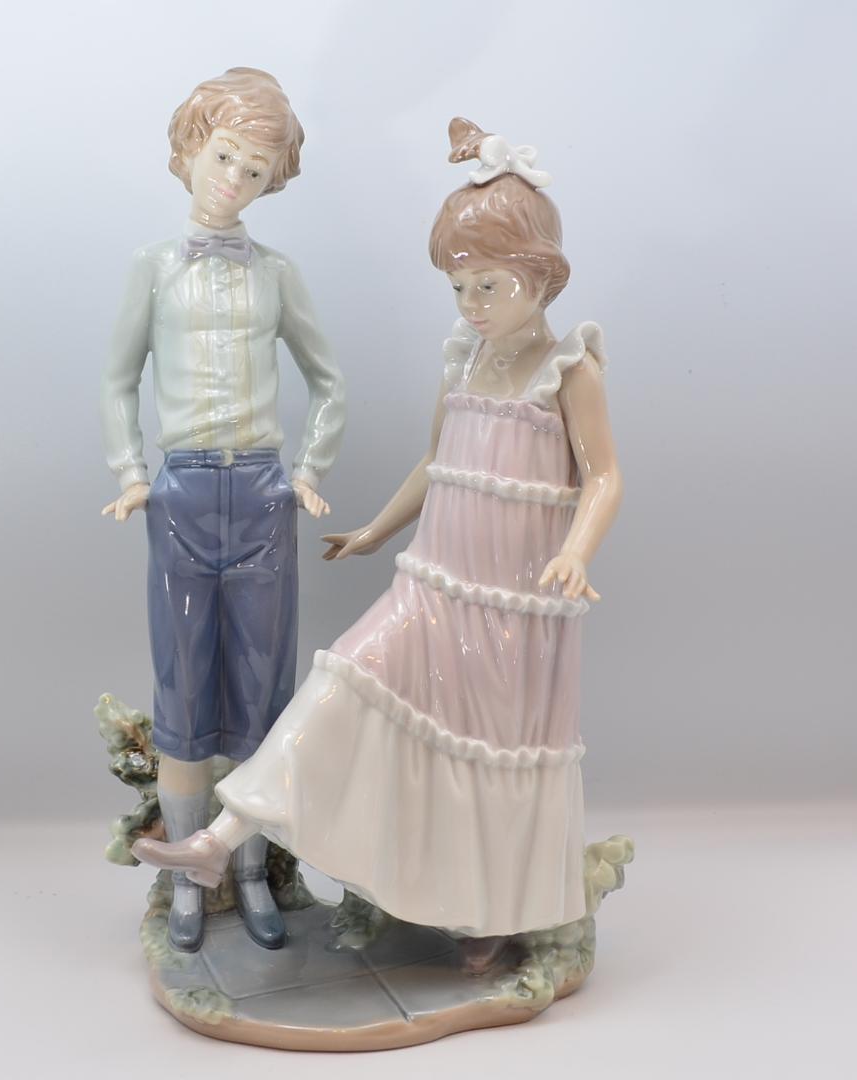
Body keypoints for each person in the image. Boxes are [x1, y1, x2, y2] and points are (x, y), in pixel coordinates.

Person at [132, 116, 622, 974]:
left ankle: (489, 909)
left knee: (489, 751)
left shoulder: (567, 368)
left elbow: (605, 476)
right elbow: (435, 462)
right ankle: (217, 841)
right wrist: (373, 531)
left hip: (514, 601)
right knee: (341, 683)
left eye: (489, 286)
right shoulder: (462, 361)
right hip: (433, 583)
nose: (472, 306)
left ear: (542, 276)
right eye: (459, 288)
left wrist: (576, 550)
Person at [100, 68, 345, 953]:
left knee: (259, 689)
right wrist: (134, 472)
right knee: (182, 689)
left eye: (253, 170)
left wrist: (308, 469)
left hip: (262, 493)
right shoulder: (153, 267)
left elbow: (328, 380)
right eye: (224, 157)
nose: (233, 180)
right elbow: (117, 379)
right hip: (183, 493)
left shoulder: (276, 274)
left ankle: (247, 869)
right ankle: (186, 875)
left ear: (271, 181)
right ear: (190, 152)